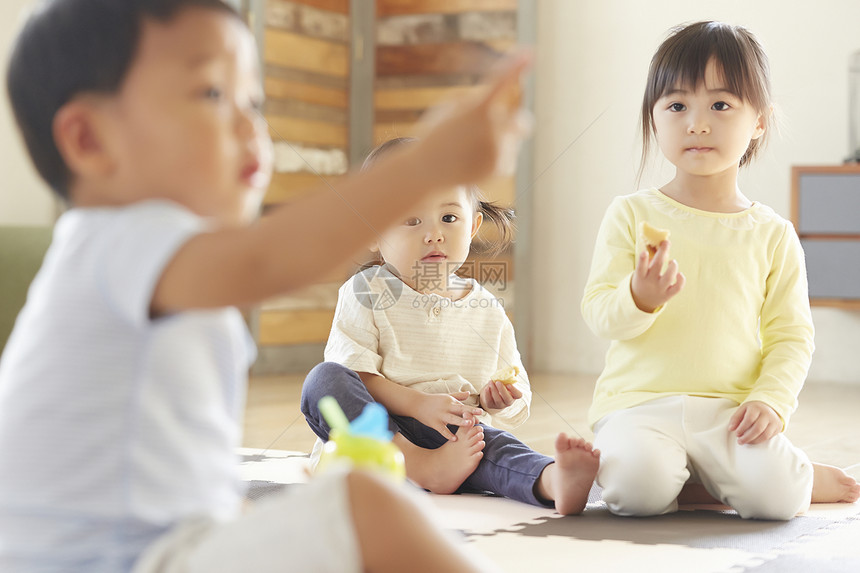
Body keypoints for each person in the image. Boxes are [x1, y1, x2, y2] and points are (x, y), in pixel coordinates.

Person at [0, 0, 532, 570]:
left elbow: (184, 464)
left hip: (156, 545)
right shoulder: (120, 239)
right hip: (106, 559)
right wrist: (425, 166)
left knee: (334, 512)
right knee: (365, 507)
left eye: (253, 100)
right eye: (211, 94)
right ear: (89, 140)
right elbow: (268, 259)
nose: (249, 123)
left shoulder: (160, 268)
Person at [581, 20, 859, 521]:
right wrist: (638, 296)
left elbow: (791, 337)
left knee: (779, 502)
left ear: (760, 121)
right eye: (677, 106)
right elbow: (601, 315)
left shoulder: (773, 234)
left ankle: (787, 476)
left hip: (730, 413)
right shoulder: (630, 213)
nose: (697, 123)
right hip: (637, 405)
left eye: (721, 104)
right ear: (654, 118)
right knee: (637, 493)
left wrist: (771, 403)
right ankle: (701, 482)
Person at [301, 137, 600, 517]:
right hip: (376, 438)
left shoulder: (487, 309)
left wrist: (502, 398)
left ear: (473, 225)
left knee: (496, 447)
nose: (434, 234)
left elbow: (518, 396)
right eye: (412, 220)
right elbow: (355, 374)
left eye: (448, 218)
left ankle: (553, 481)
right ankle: (416, 466)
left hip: (454, 443)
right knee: (323, 380)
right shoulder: (366, 291)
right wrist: (418, 405)